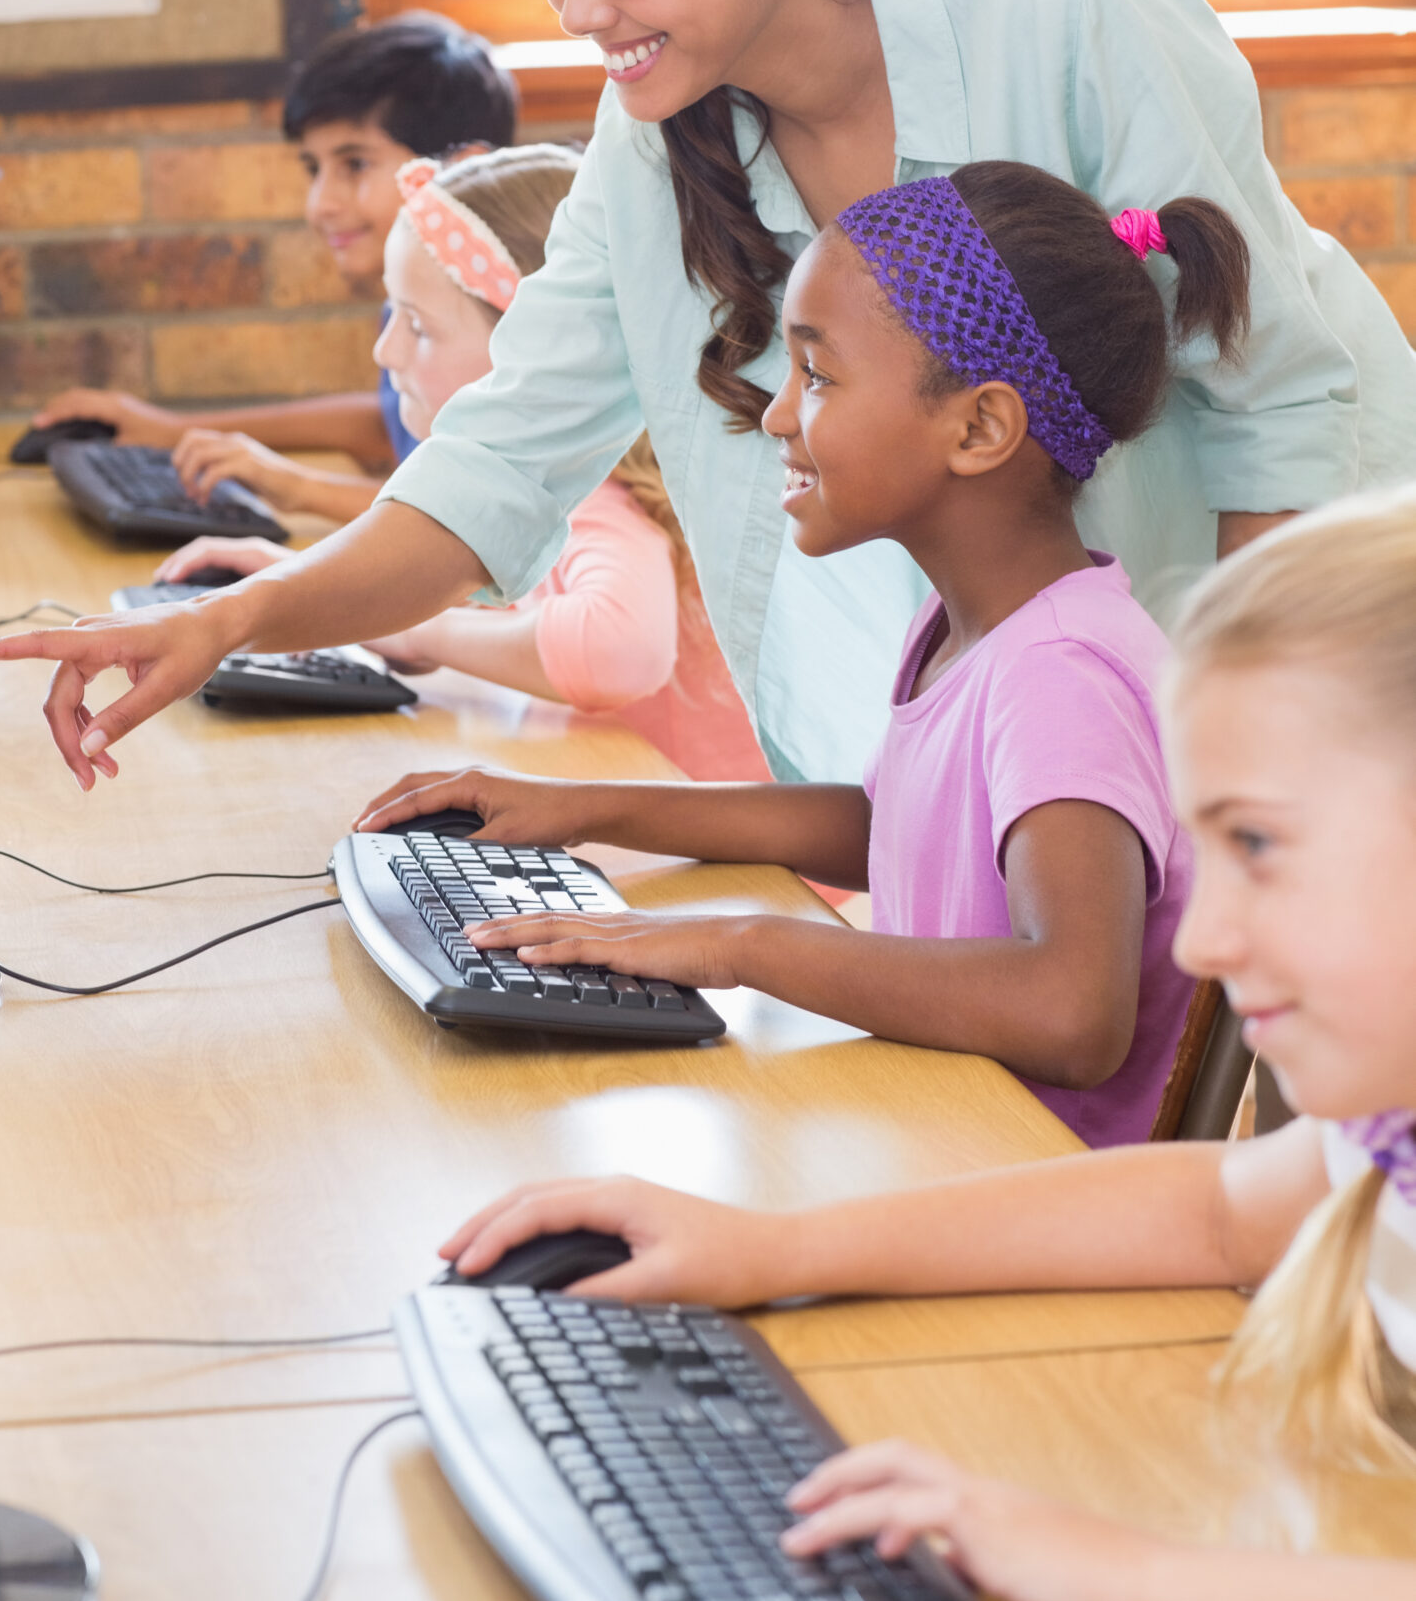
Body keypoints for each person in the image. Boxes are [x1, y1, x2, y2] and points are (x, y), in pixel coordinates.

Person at [0, 0, 1416, 791]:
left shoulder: (1068, 13)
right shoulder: (650, 134)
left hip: (1292, 641)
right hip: (1012, 722)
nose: (582, 10)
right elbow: (501, 460)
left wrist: (1226, 757)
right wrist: (230, 619)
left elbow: (1269, 412)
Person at [434, 490, 1416, 1601]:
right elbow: (1216, 1207)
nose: (1207, 936)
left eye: (1262, 847)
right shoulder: (1385, 1143)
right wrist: (774, 1249)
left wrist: (1136, 1578)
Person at [355, 163, 1249, 1144]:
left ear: (982, 426)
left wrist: (737, 945)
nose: (779, 414)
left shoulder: (1059, 672)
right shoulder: (975, 625)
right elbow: (901, 825)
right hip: (949, 1137)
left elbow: (1070, 1013)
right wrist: (588, 810)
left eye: (818, 375)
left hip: (1028, 1189)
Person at [166, 145, 766, 781]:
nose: (385, 349)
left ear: (536, 351)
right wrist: (318, 591)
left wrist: (418, 632)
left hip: (735, 878)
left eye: (418, 326)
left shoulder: (595, 494)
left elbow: (623, 650)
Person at [30, 12, 516, 528]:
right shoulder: (417, 303)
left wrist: (291, 485)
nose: (319, 205)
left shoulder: (500, 324)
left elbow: (480, 512)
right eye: (313, 168)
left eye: (354, 164)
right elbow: (391, 421)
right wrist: (173, 430)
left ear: (461, 167)